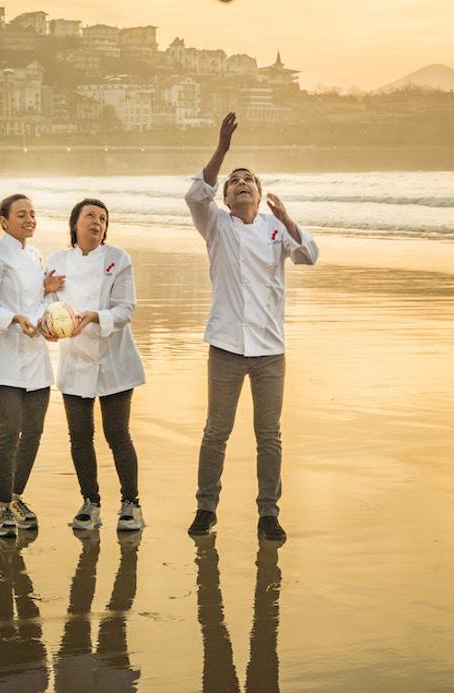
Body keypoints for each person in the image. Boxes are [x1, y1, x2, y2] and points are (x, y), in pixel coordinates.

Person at [184, 112, 319, 541]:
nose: (241, 183)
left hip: (269, 351)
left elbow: (309, 255)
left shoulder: (275, 228)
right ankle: (206, 508)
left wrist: (288, 218)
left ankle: (268, 514)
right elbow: (194, 195)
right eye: (234, 181)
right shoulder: (217, 225)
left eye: (249, 180)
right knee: (216, 431)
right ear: (226, 198)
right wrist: (222, 150)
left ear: (259, 195)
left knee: (269, 436)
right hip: (225, 345)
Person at [41, 199, 146, 532]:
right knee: (80, 436)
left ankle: (131, 505)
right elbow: (47, 305)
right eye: (90, 216)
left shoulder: (118, 259)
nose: (96, 223)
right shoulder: (57, 261)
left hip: (115, 359)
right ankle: (90, 502)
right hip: (74, 359)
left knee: (118, 434)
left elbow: (126, 310)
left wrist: (95, 317)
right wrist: (48, 323)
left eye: (102, 218)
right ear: (75, 224)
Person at [0, 193, 63, 537]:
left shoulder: (34, 255)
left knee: (34, 433)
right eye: (22, 214)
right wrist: (15, 319)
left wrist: (48, 299)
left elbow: (36, 302)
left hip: (36, 357)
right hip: (6, 357)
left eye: (33, 214)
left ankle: (16, 496)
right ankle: (1, 508)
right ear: (4, 220)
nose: (30, 220)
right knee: (10, 430)